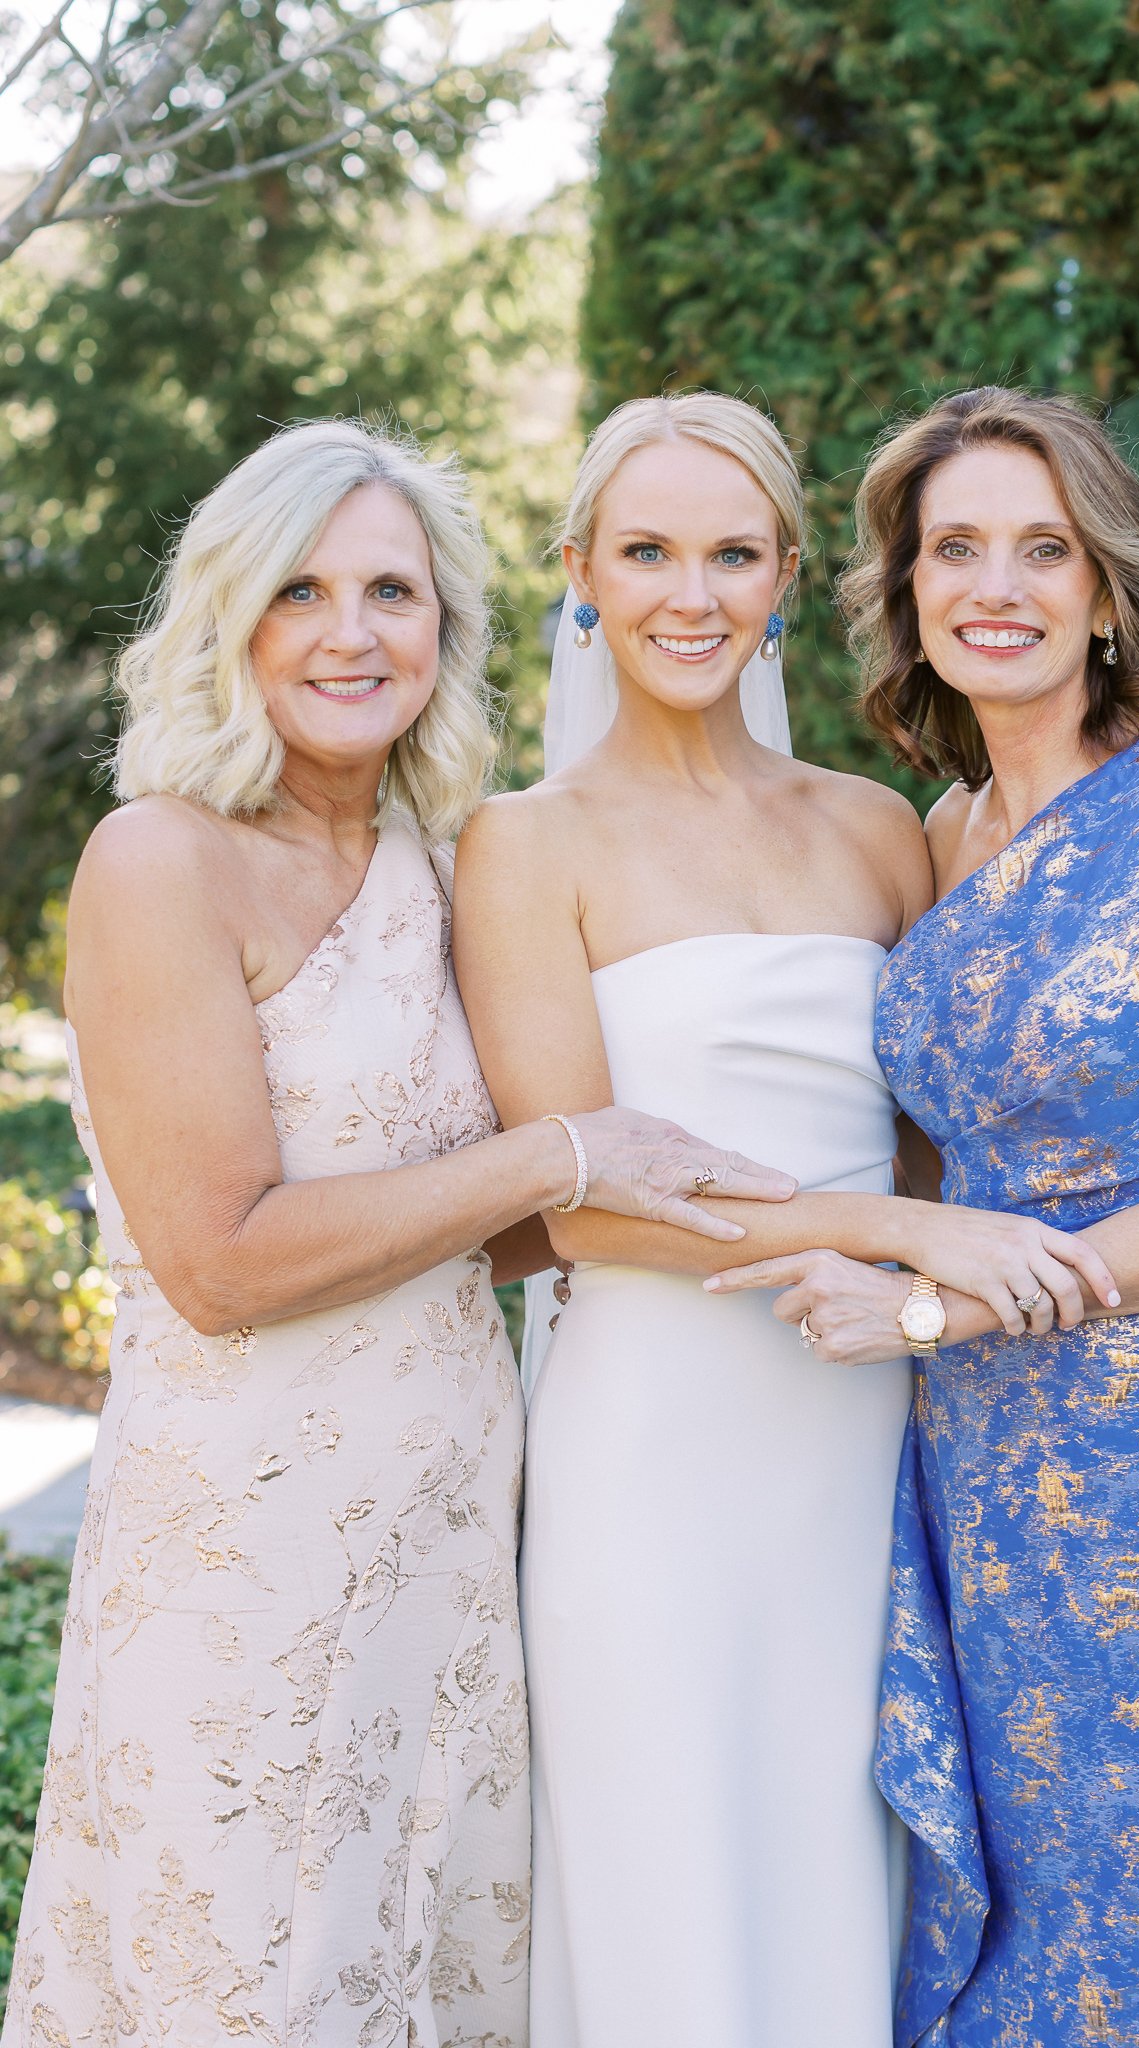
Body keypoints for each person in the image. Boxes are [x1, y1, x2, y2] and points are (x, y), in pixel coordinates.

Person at [1, 418, 796, 2048]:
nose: (351, 633)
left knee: (424, 1965)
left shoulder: (446, 869)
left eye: (393, 591)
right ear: (230, 617)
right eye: (301, 590)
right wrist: (561, 1150)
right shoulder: (162, 860)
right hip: (241, 1549)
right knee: (243, 1980)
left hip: (448, 1546)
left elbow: (492, 1233)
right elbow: (222, 1260)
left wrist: (775, 1211)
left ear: (447, 629)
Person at [452, 391, 1120, 2048]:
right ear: (582, 577)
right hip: (648, 1438)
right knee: (662, 1867)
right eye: (648, 552)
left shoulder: (877, 828)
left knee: (840, 1858)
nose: (692, 594)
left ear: (786, 574)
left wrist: (923, 1257)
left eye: (732, 553)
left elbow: (934, 1153)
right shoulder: (523, 846)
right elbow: (587, 1202)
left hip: (864, 1425)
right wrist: (897, 1240)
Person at [713, 386, 1139, 2044]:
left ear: (1101, 587)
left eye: (1039, 548)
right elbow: (941, 1159)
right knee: (1027, 1894)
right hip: (987, 1455)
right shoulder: (942, 833)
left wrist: (946, 1308)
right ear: (908, 589)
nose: (993, 584)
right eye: (953, 549)